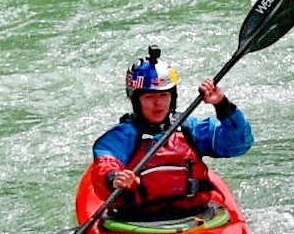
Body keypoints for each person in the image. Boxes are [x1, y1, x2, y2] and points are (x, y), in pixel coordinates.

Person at [92, 49, 252, 220]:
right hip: (137, 220)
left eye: (163, 95)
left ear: (172, 97)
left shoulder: (190, 130)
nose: (158, 103)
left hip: (195, 218)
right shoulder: (122, 136)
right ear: (136, 100)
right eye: (149, 97)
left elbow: (239, 144)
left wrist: (222, 104)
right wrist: (114, 178)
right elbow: (105, 164)